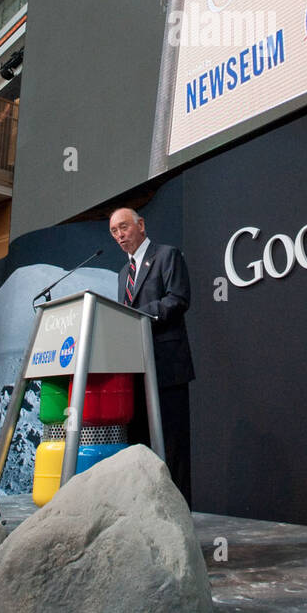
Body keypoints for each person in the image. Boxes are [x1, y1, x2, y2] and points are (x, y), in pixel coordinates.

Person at [110, 207, 194, 505]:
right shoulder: (123, 274)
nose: (119, 235)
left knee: (172, 449)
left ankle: (180, 518)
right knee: (140, 449)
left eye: (124, 227)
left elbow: (178, 299)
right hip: (136, 373)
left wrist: (135, 316)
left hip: (167, 369)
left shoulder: (167, 255)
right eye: (114, 232)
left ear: (141, 225)